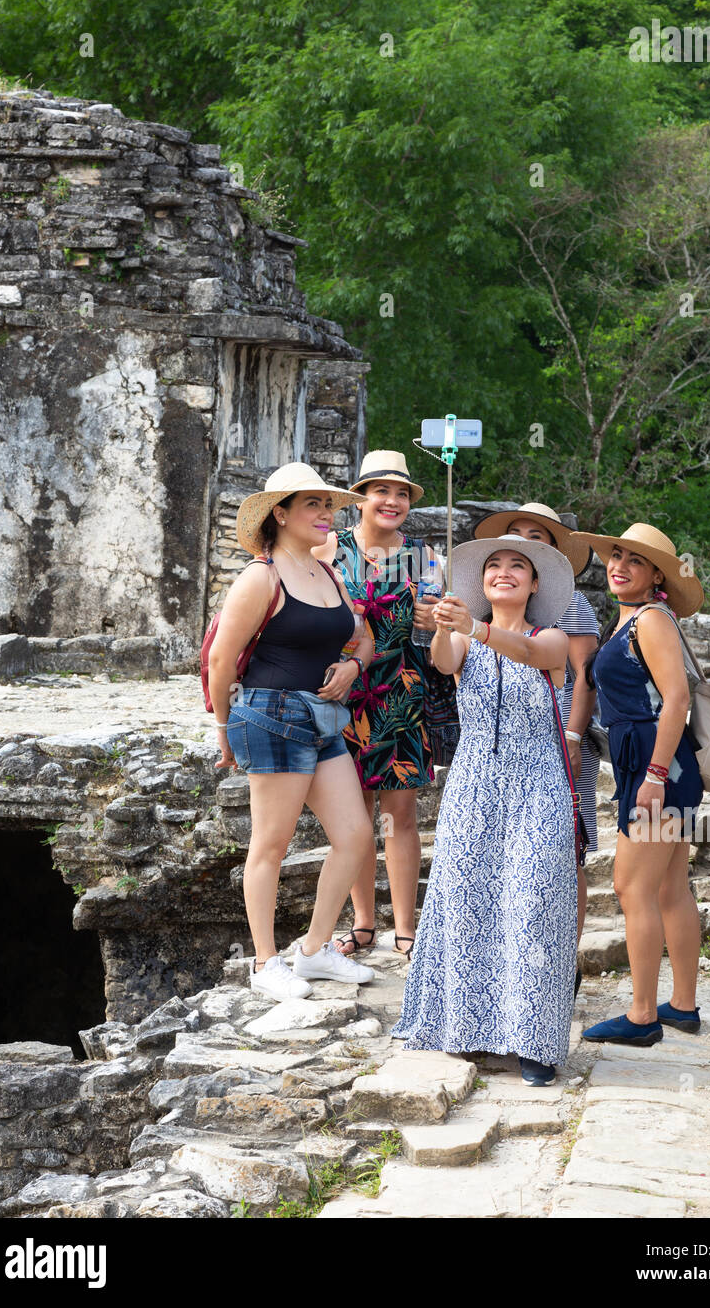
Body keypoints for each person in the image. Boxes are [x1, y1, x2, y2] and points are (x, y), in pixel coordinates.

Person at [393, 535, 578, 1086]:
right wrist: (449, 623)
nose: (504, 572)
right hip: (474, 783)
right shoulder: (465, 640)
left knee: (535, 903)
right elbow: (443, 659)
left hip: (537, 783)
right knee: (469, 899)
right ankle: (470, 1029)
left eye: (517, 566)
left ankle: (535, 1042)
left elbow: (532, 656)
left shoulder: (552, 637)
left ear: (535, 583)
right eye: (494, 565)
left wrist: (474, 626)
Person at [208, 462, 379, 1002]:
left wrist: (353, 667)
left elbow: (363, 637)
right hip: (269, 714)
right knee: (272, 844)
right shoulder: (263, 577)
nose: (326, 515)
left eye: (328, 506)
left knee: (354, 837)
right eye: (313, 505)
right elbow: (220, 660)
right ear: (279, 514)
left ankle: (312, 951)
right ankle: (263, 963)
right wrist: (222, 726)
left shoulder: (327, 573)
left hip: (324, 717)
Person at [573, 523, 705, 1047]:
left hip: (659, 768)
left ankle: (643, 1014)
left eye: (634, 560)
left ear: (656, 577)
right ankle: (684, 1006)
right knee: (671, 887)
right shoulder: (630, 619)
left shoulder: (650, 619)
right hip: (658, 766)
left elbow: (676, 699)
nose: (618, 565)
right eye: (616, 555)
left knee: (632, 888)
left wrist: (653, 774)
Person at [312, 451, 439, 962]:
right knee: (353, 816)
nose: (392, 500)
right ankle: (363, 925)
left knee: (401, 815)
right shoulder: (328, 548)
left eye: (402, 493)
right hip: (341, 692)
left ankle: (405, 928)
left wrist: (436, 620)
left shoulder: (423, 556)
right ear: (360, 497)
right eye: (381, 490)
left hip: (401, 694)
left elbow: (435, 628)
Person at [474, 504, 598, 990]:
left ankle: (564, 958)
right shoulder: (490, 610)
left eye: (536, 536)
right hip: (503, 746)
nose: (526, 540)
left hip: (560, 736)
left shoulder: (573, 608)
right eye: (516, 534)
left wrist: (571, 734)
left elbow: (584, 678)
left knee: (566, 851)